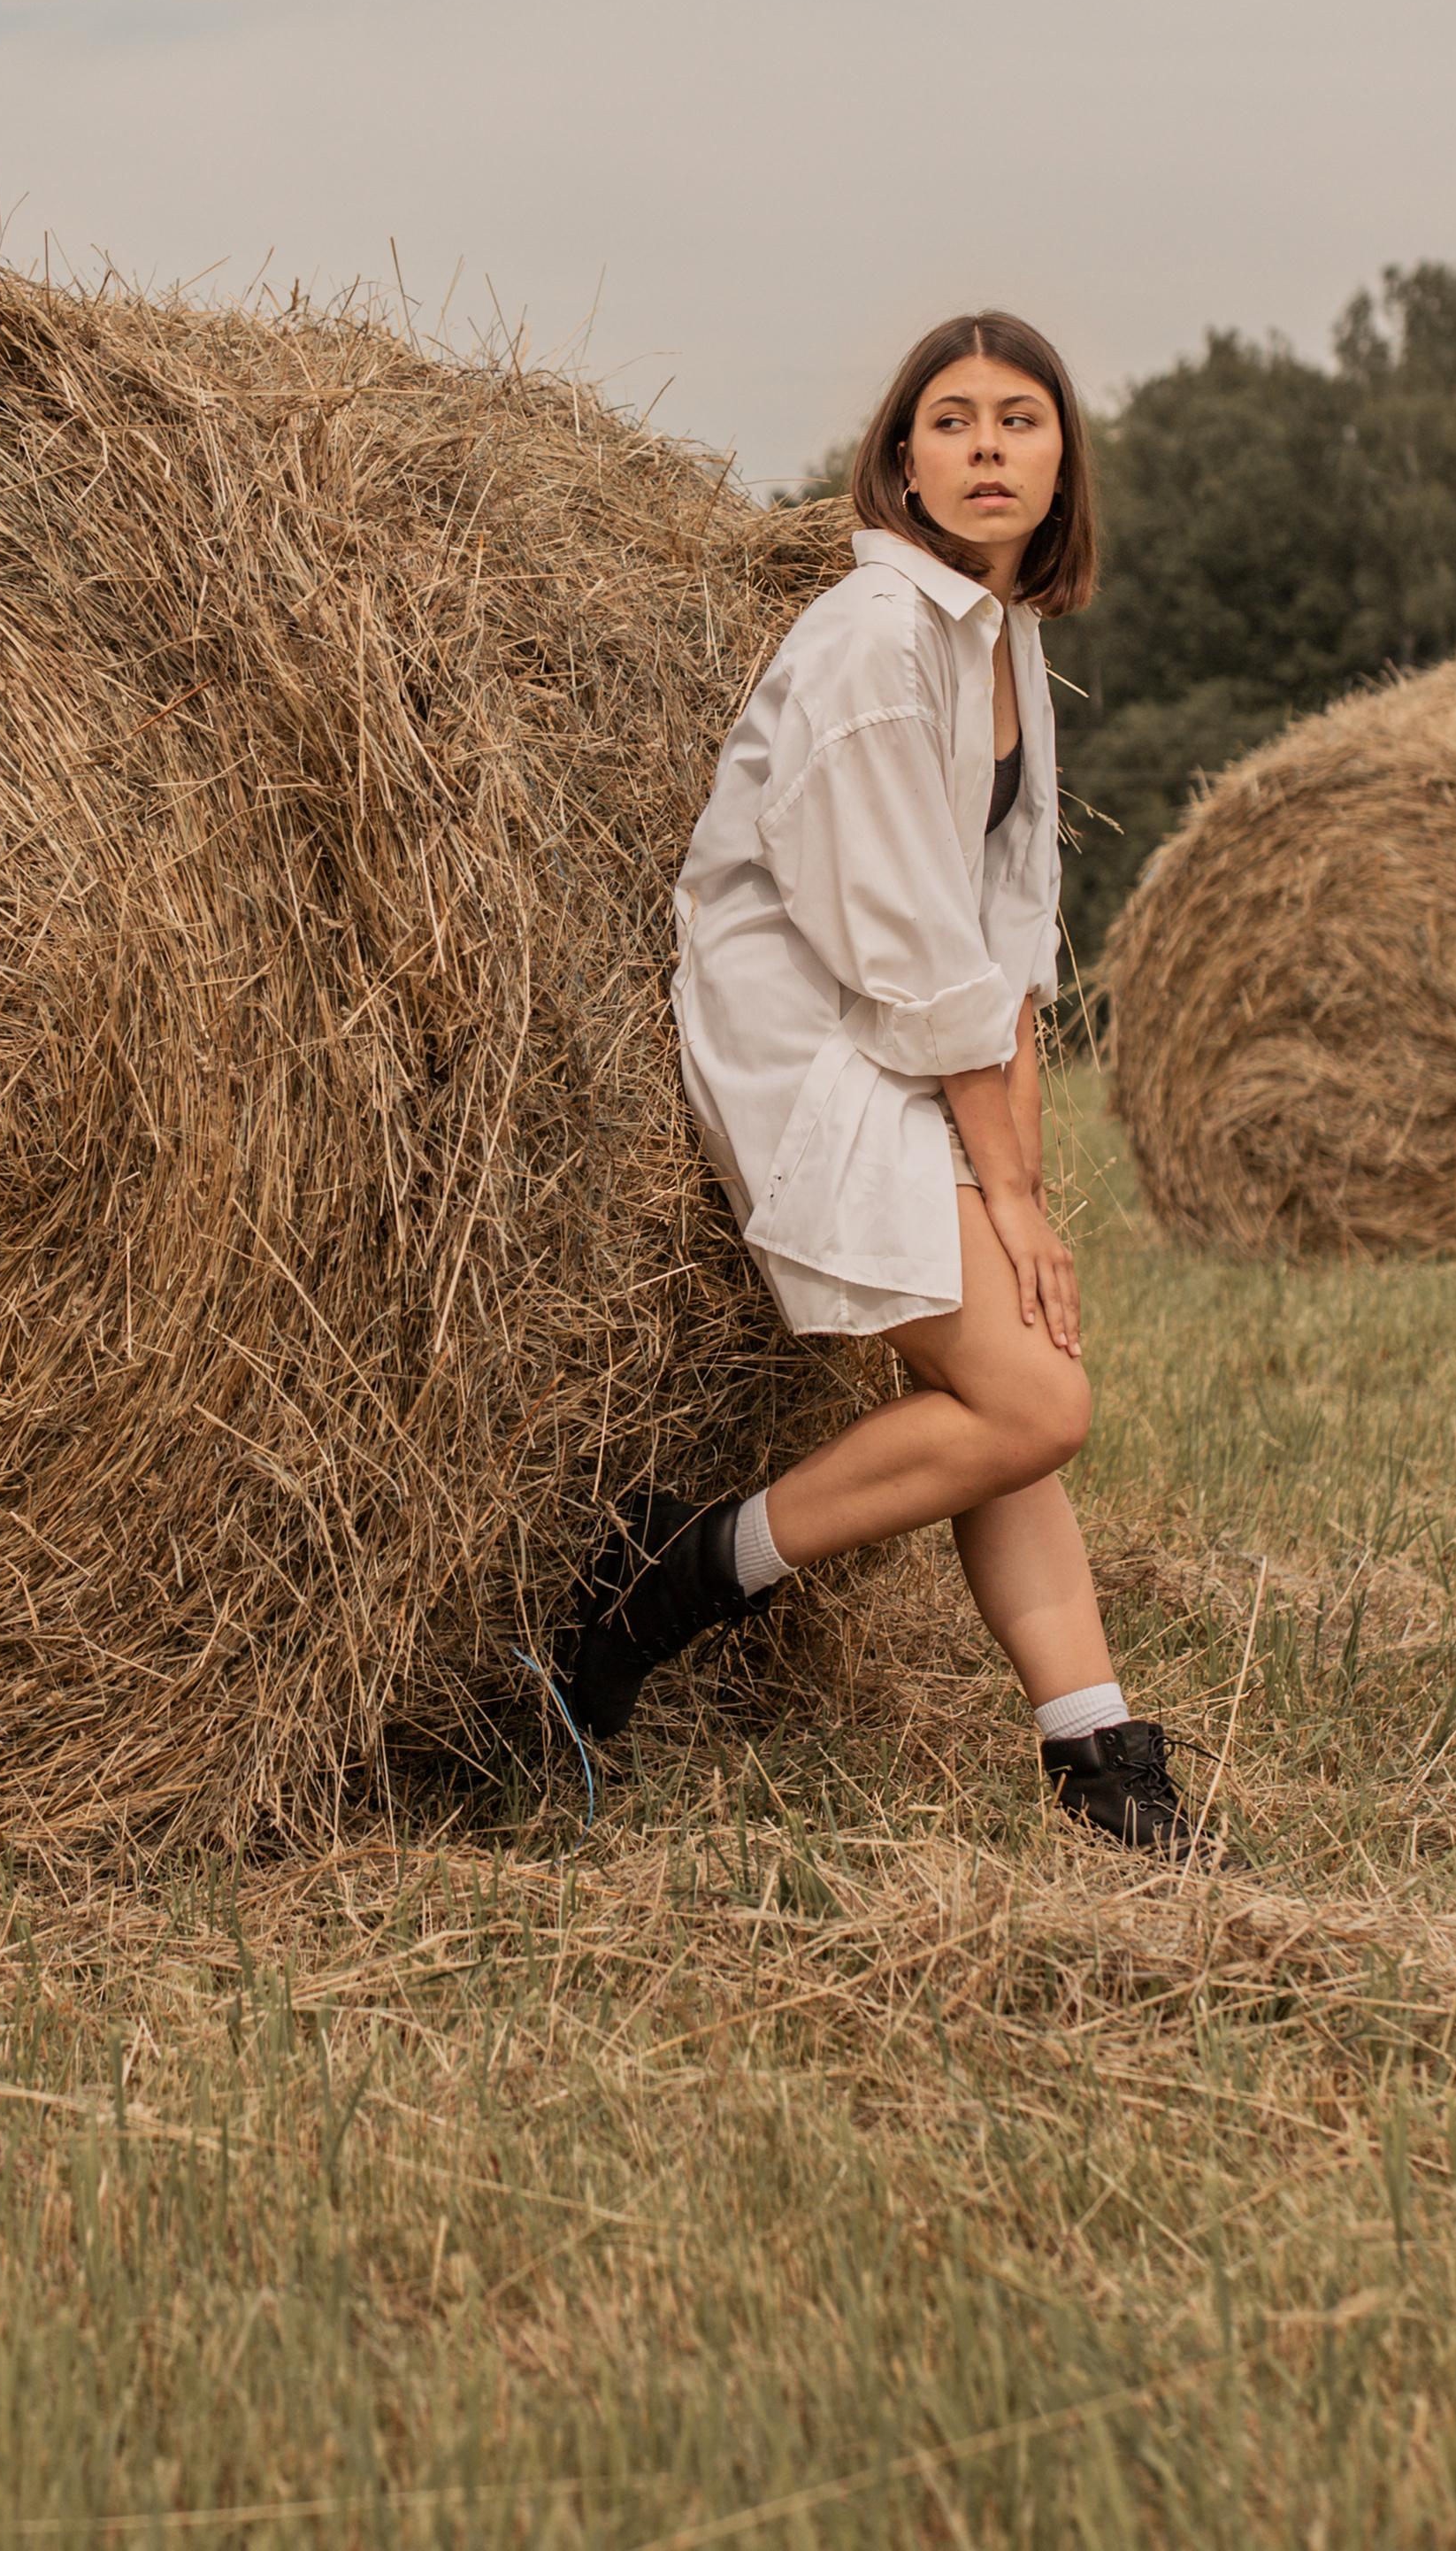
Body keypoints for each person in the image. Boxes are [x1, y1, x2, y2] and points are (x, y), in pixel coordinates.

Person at [552, 314, 1233, 1861]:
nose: (989, 447)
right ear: (903, 462)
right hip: (812, 1047)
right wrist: (1005, 1193)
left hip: (919, 1048)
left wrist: (1027, 1193)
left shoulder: (998, 641)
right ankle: (669, 1580)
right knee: (1036, 1395)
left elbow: (1008, 942)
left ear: (1063, 464)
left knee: (1006, 1399)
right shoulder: (871, 641)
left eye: (1021, 421)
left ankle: (1104, 1766)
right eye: (953, 421)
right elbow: (912, 962)